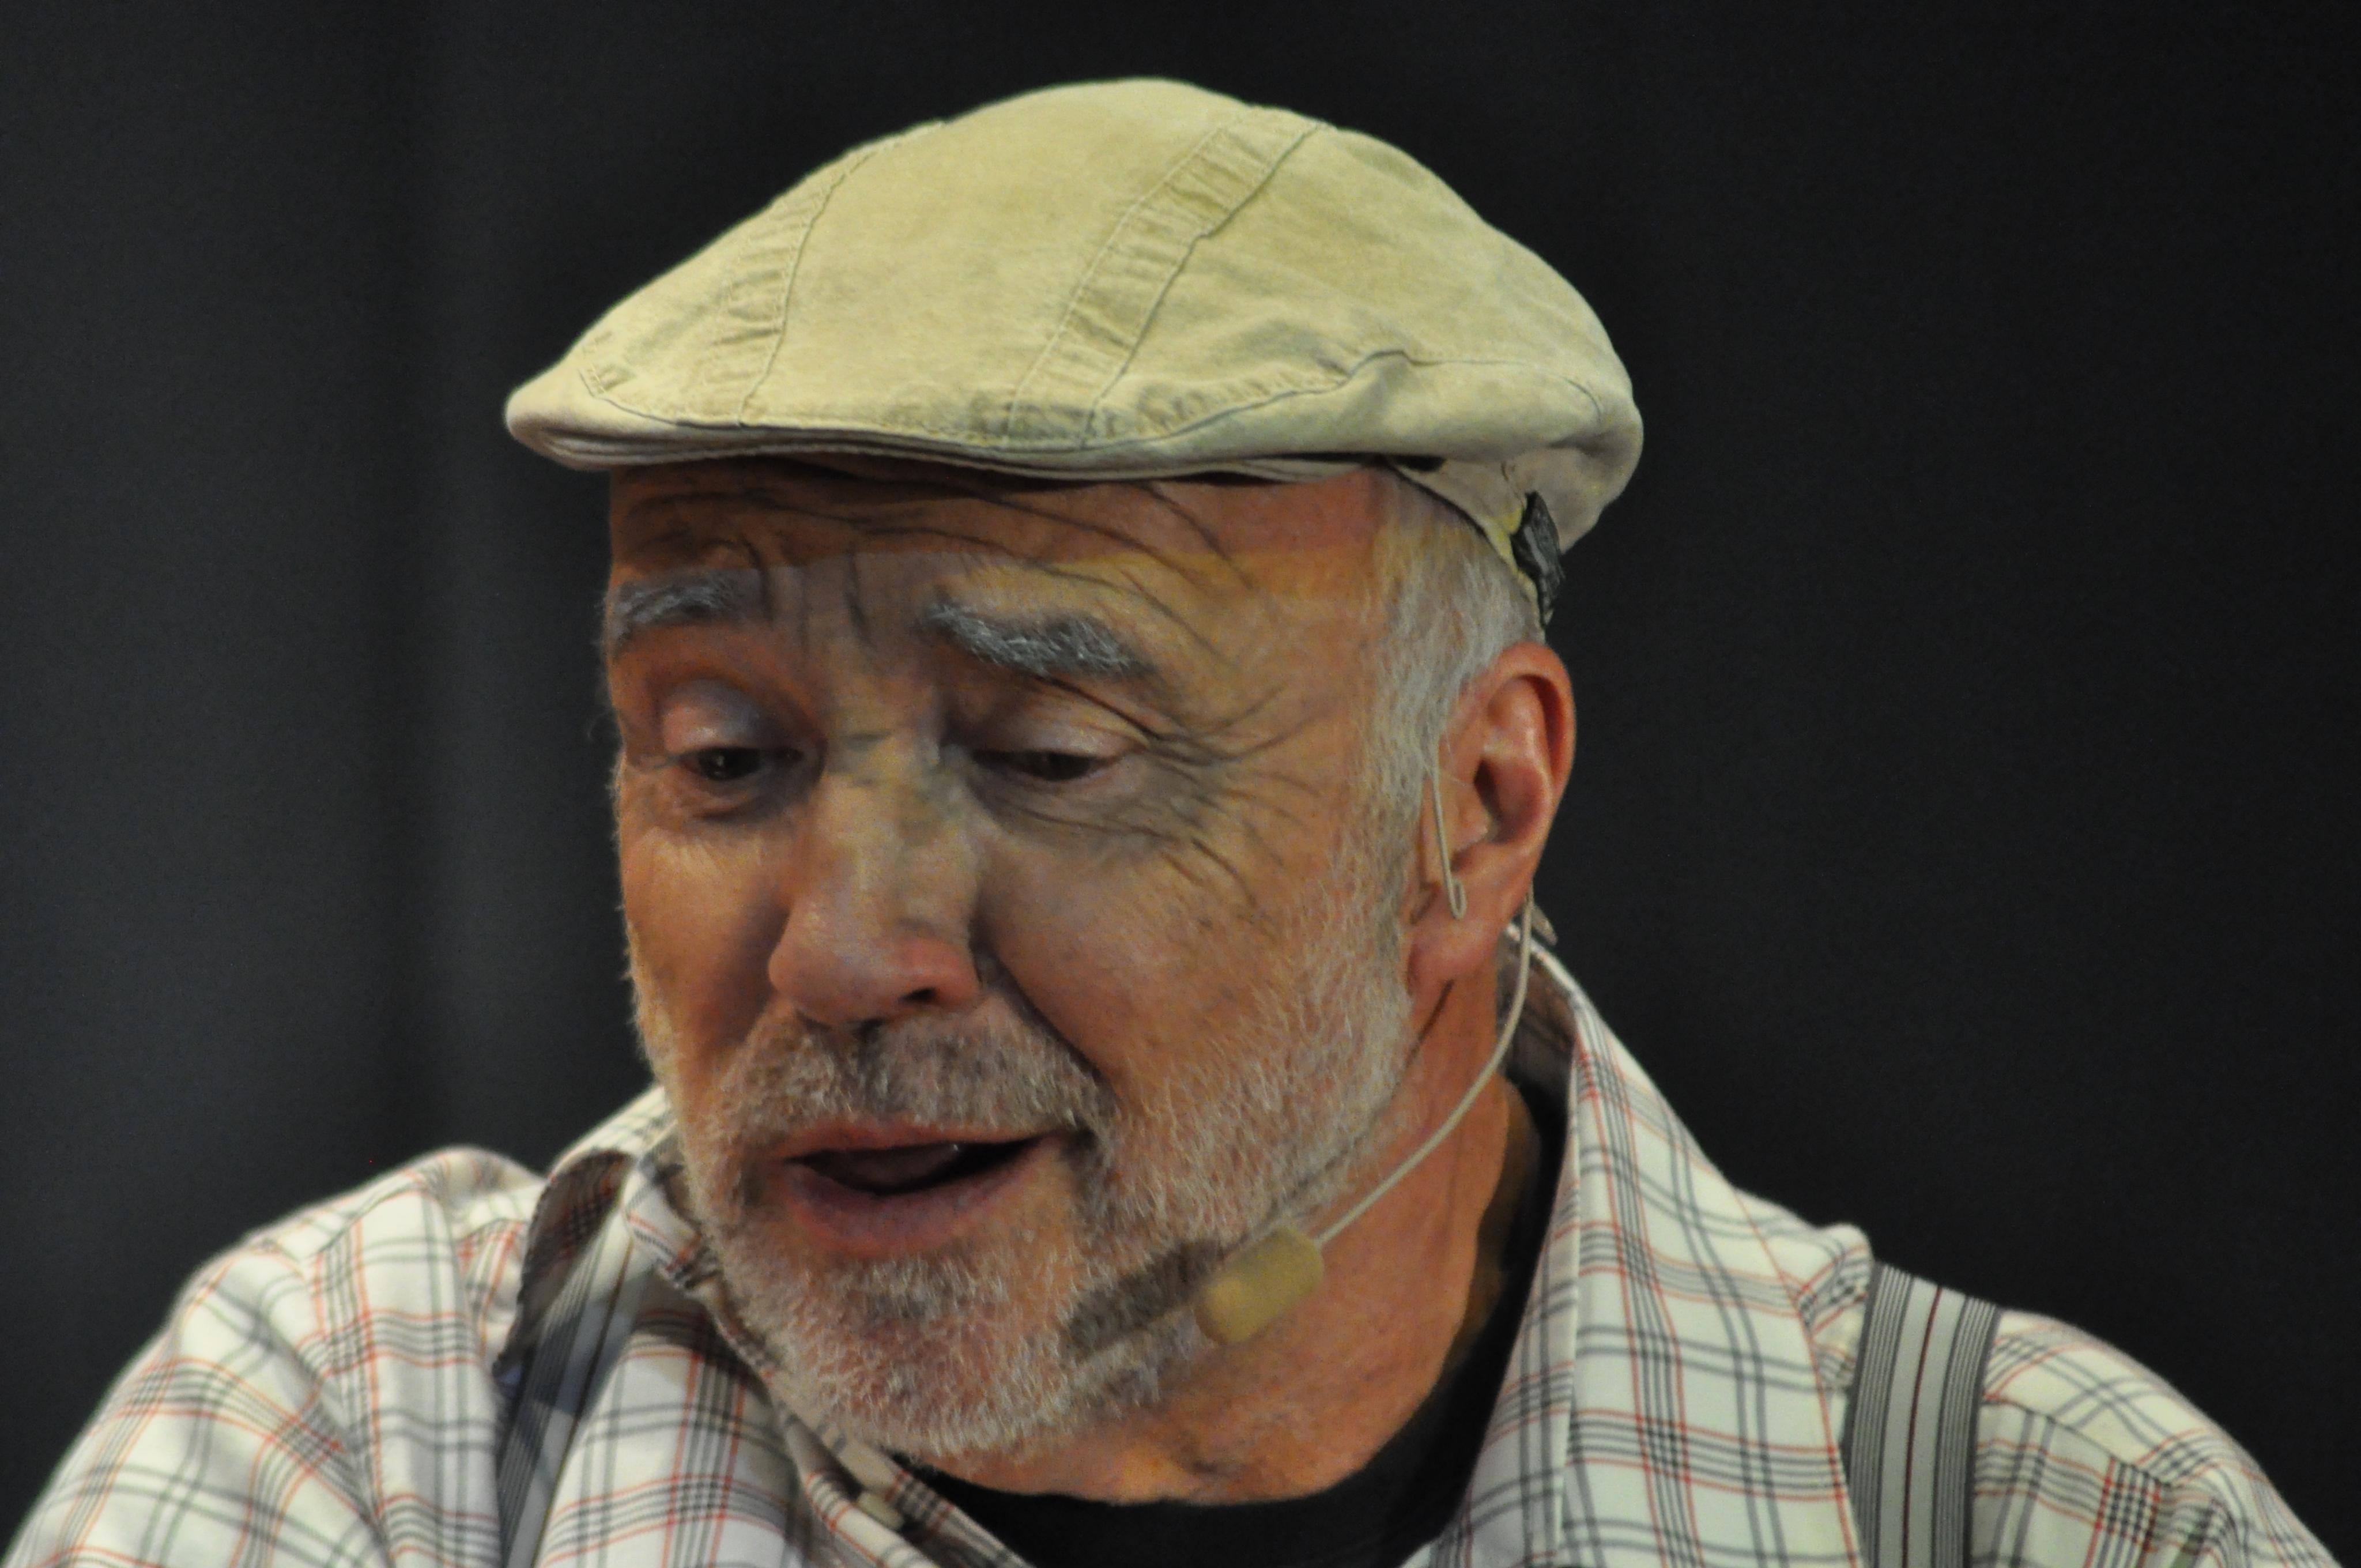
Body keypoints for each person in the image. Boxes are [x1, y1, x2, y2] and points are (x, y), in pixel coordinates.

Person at [6, 78, 2329, 1568]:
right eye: (722, 755)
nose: (843, 949)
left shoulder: (2031, 1518)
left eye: (1048, 755)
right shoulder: (377, 1445)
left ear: (1476, 811)